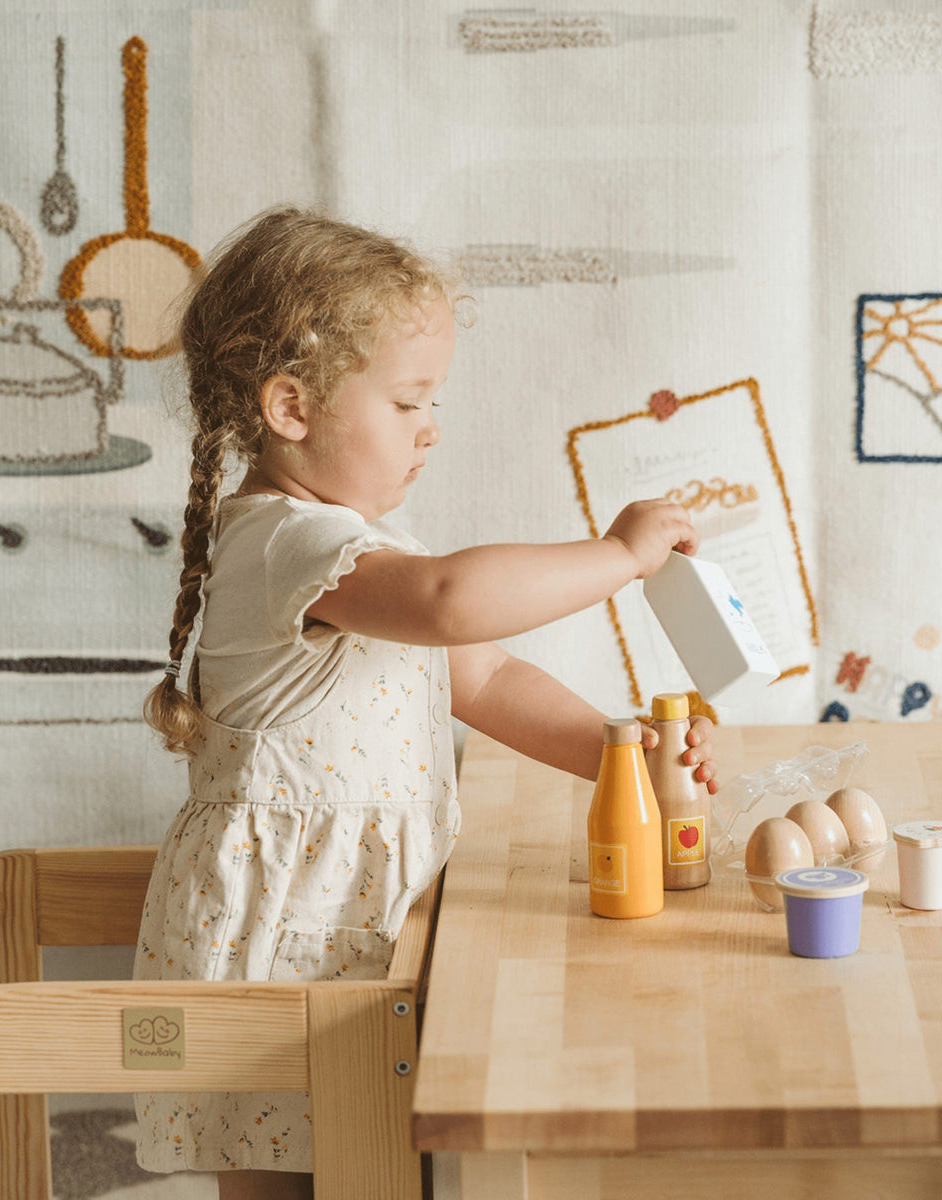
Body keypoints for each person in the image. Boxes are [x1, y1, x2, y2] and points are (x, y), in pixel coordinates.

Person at [134, 205, 719, 1200]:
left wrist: (621, 755)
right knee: (293, 1177)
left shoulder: (359, 542)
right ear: (291, 407)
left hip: (358, 925)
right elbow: (455, 603)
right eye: (409, 403)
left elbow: (485, 680)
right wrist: (618, 557)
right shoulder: (292, 545)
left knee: (376, 1167)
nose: (431, 428)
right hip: (288, 944)